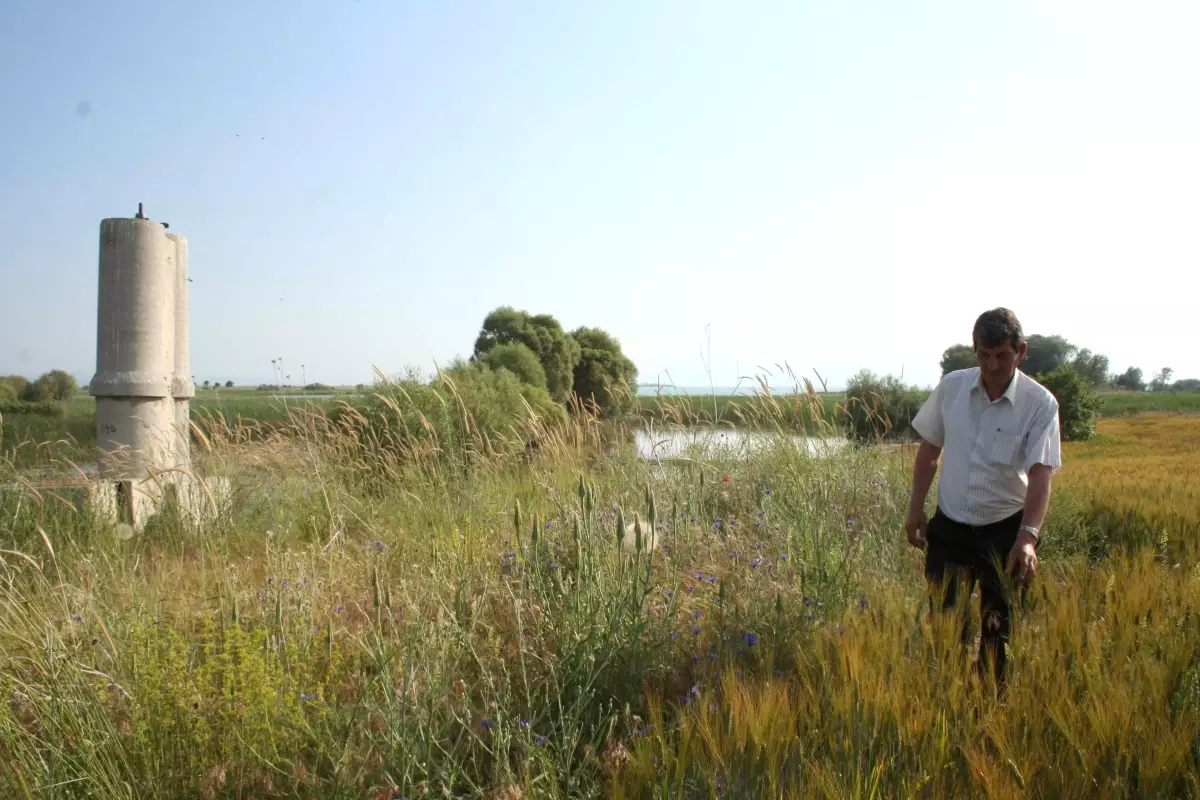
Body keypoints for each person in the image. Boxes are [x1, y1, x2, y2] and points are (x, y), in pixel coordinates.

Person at [905, 307, 1062, 688]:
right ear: (974, 350)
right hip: (951, 528)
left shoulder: (1040, 405)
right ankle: (946, 704)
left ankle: (988, 713)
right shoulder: (953, 388)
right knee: (945, 628)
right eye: (984, 355)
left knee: (998, 632)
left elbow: (1041, 476)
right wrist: (915, 509)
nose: (992, 366)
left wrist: (1028, 537)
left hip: (1003, 533)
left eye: (1002, 356)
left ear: (1021, 351)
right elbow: (929, 452)